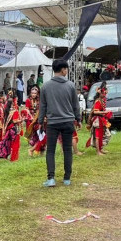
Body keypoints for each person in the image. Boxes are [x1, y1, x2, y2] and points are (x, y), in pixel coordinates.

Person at [38, 59, 81, 187]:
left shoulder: (45, 86)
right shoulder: (70, 85)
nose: (66, 71)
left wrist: (40, 121)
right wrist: (78, 119)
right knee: (67, 150)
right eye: (66, 69)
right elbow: (75, 105)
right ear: (63, 70)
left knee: (50, 150)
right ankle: (67, 179)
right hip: (68, 121)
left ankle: (51, 178)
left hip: (52, 123)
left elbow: (43, 106)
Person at [87, 82, 112, 155]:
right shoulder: (98, 101)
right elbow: (95, 111)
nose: (105, 95)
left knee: (105, 134)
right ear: (100, 93)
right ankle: (98, 151)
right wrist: (105, 112)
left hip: (101, 119)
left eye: (105, 93)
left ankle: (101, 149)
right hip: (97, 120)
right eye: (103, 93)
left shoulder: (102, 100)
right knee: (98, 136)